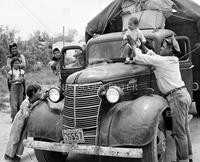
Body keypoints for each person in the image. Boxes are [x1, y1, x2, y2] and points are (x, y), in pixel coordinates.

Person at [133, 37, 193, 162]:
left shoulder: (163, 61)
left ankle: (182, 160)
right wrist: (143, 46)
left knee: (179, 133)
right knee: (184, 130)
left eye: (163, 46)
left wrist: (134, 46)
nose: (160, 48)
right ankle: (189, 157)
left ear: (170, 49)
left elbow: (140, 58)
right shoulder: (171, 59)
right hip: (183, 95)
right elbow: (152, 55)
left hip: (177, 97)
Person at [4, 84, 43, 161]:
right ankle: (8, 155)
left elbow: (40, 99)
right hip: (19, 122)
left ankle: (13, 155)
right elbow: (26, 114)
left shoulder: (34, 100)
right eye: (39, 91)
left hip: (24, 123)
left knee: (21, 139)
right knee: (15, 138)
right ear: (33, 93)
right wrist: (35, 104)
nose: (41, 92)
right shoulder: (25, 103)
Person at [8, 57, 25, 122]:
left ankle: (19, 117)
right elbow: (10, 81)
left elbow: (23, 80)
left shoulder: (22, 71)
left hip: (20, 87)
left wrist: (20, 80)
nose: (17, 64)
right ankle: (14, 117)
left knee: (20, 102)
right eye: (15, 63)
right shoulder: (10, 72)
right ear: (12, 64)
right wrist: (17, 79)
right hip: (14, 88)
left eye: (18, 63)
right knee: (14, 103)